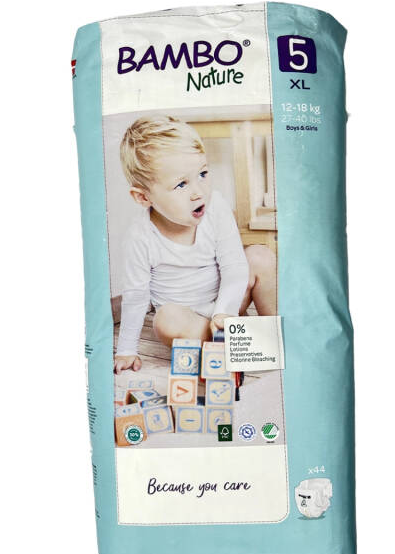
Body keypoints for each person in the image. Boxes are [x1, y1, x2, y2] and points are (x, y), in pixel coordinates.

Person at [114, 115, 276, 373]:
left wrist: (224, 312)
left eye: (203, 174)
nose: (199, 192)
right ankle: (231, 344)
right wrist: (126, 350)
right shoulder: (140, 236)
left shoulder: (216, 206)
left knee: (260, 256)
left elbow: (234, 266)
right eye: (181, 184)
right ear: (143, 197)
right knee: (165, 320)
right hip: (189, 321)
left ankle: (274, 335)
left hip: (228, 303)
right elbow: (136, 296)